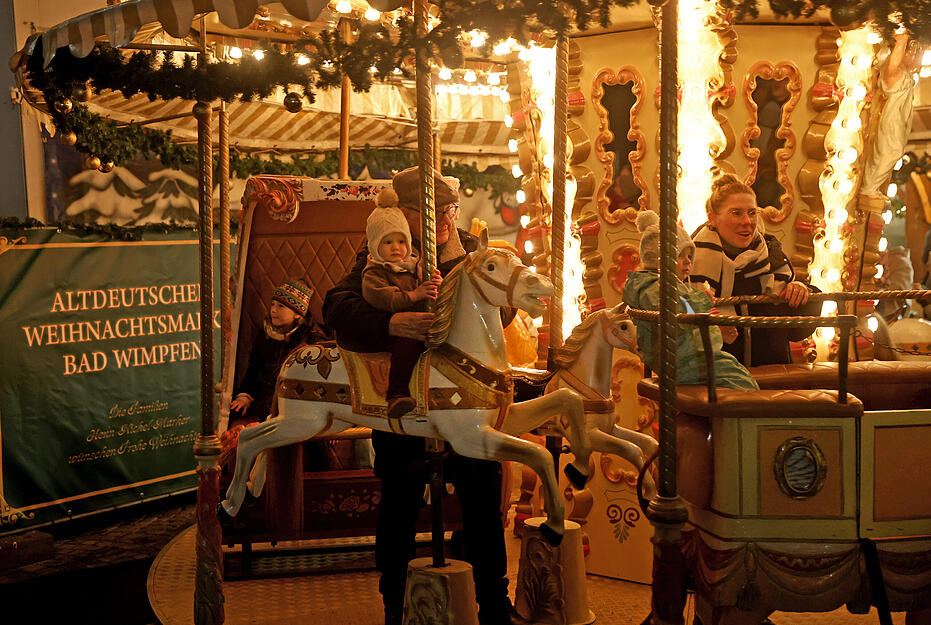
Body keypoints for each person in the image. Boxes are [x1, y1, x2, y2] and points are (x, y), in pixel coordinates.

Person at [323, 166, 527, 625]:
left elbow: (505, 312)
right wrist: (389, 323)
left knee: (482, 497)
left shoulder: (474, 256)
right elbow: (335, 305)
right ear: (404, 214)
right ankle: (395, 601)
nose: (444, 220)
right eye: (427, 212)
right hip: (409, 406)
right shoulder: (384, 256)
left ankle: (494, 601)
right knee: (399, 498)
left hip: (463, 403)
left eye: (449, 210)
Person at [690, 174, 819, 367]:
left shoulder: (772, 259)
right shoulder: (691, 264)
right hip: (718, 375)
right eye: (736, 213)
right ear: (713, 219)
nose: (747, 222)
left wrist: (802, 291)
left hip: (773, 374)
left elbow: (796, 332)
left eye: (751, 213)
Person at [623, 210, 759, 390]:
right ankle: (746, 416)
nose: (688, 262)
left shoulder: (667, 286)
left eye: (689, 256)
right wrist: (699, 299)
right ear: (661, 258)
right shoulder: (654, 288)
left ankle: (740, 415)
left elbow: (687, 317)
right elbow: (676, 314)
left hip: (689, 357)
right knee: (740, 381)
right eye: (681, 256)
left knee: (738, 372)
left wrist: (716, 328)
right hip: (685, 362)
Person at [361, 193, 443, 418]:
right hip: (395, 331)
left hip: (420, 324)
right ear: (375, 246)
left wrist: (435, 283)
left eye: (401, 241)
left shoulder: (412, 265)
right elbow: (386, 298)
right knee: (407, 347)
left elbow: (431, 293)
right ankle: (396, 394)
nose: (396, 248)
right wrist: (416, 294)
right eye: (387, 242)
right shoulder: (374, 271)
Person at [230, 278, 322, 425]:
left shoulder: (312, 339)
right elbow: (254, 369)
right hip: (263, 404)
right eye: (273, 304)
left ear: (298, 314)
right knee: (234, 416)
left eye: (281, 306)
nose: (273, 310)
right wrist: (245, 396)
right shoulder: (265, 335)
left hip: (295, 407)